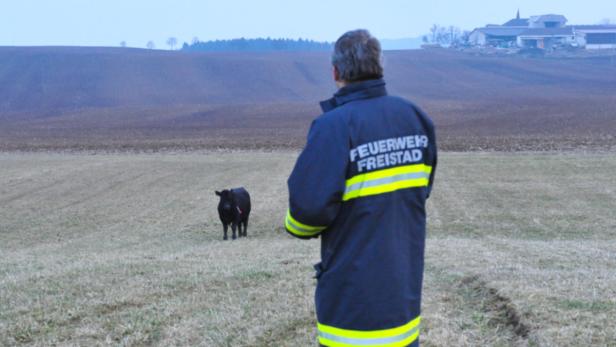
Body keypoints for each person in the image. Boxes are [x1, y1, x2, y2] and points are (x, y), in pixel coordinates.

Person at [285, 29, 437, 347]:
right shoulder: (416, 119)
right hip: (403, 303)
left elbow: (305, 217)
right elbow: (419, 192)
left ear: (336, 72)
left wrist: (293, 222)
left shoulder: (333, 127)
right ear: (380, 67)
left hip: (351, 312)